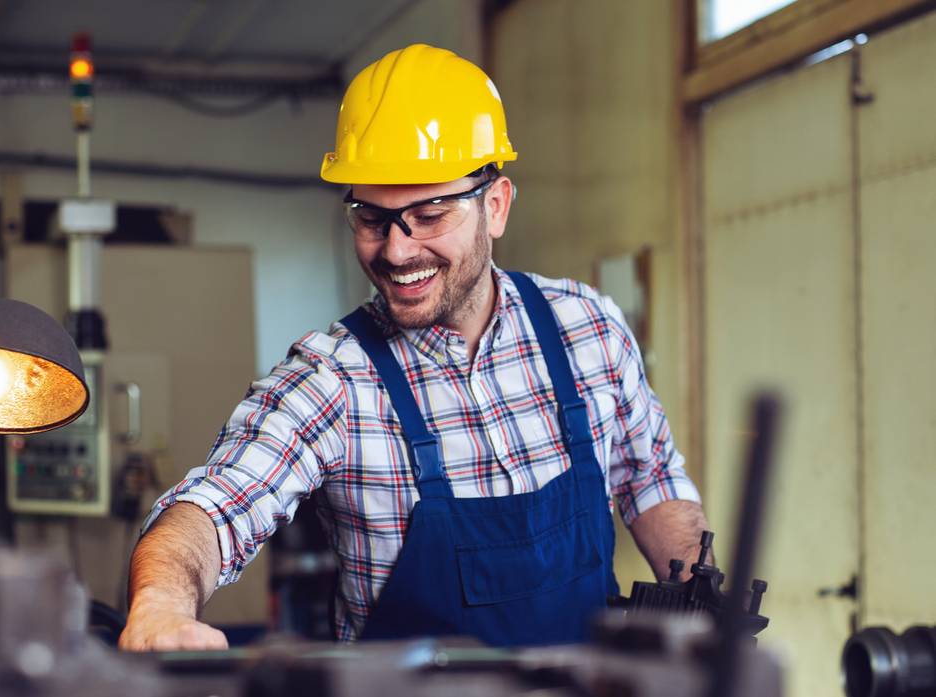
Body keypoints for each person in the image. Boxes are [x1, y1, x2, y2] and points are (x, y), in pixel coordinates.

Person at [118, 43, 708, 651]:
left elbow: (651, 479)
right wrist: (161, 606)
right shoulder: (333, 380)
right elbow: (212, 507)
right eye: (372, 218)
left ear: (496, 206)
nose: (397, 251)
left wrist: (704, 612)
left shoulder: (588, 328)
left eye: (428, 215)